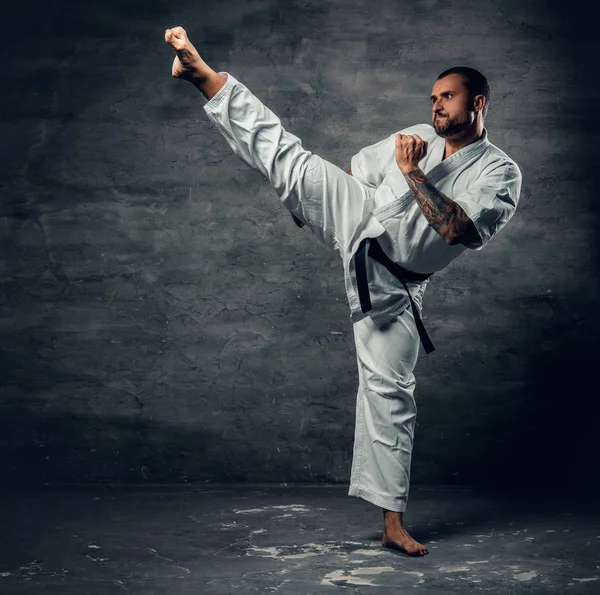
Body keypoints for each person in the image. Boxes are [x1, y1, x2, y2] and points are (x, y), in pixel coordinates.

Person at [165, 26, 522, 557]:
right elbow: (356, 172)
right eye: (433, 98)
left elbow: (457, 230)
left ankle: (392, 524)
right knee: (293, 160)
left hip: (398, 285)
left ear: (479, 102)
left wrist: (411, 170)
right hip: (362, 221)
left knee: (390, 396)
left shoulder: (499, 172)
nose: (437, 106)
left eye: (447, 96)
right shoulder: (414, 132)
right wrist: (307, 202)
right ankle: (203, 76)